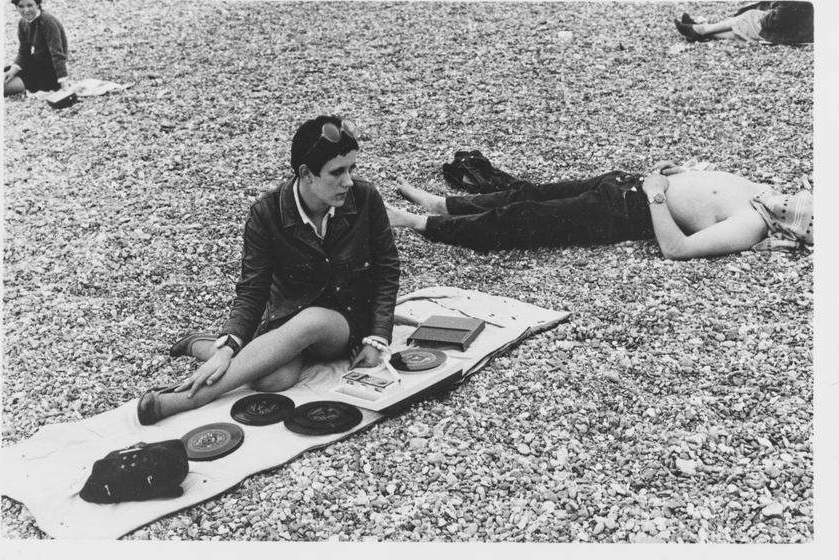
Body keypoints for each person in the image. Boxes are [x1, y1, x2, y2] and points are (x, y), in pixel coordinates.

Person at [137, 116, 401, 425]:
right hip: (288, 320)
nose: (349, 182)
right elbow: (252, 289)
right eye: (337, 172)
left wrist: (376, 337)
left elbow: (387, 269)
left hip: (347, 323)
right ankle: (209, 346)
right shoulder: (266, 213)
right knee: (271, 381)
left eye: (351, 169)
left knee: (313, 320)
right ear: (306, 173)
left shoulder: (366, 199)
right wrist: (231, 342)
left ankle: (189, 398)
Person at [386, 158, 813, 260]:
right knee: (531, 194)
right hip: (626, 183)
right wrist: (678, 173)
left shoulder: (750, 225)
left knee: (525, 221)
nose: (796, 198)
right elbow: (708, 190)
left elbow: (676, 249)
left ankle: (421, 223)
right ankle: (445, 203)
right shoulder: (762, 193)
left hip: (626, 211)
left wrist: (657, 193)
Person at [4, 0, 70, 96]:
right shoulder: (22, 23)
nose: (26, 10)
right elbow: (24, 52)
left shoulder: (47, 22)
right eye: (21, 6)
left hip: (51, 70)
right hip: (36, 61)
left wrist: (64, 85)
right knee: (3, 74)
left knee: (2, 88)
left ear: (38, 4)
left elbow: (57, 54)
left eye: (30, 5)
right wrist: (12, 71)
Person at [674, 1, 813, 45]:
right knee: (744, 20)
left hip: (793, 33)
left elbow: (774, 21)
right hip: (795, 30)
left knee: (748, 17)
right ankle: (699, 30)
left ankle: (700, 30)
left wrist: (763, 15)